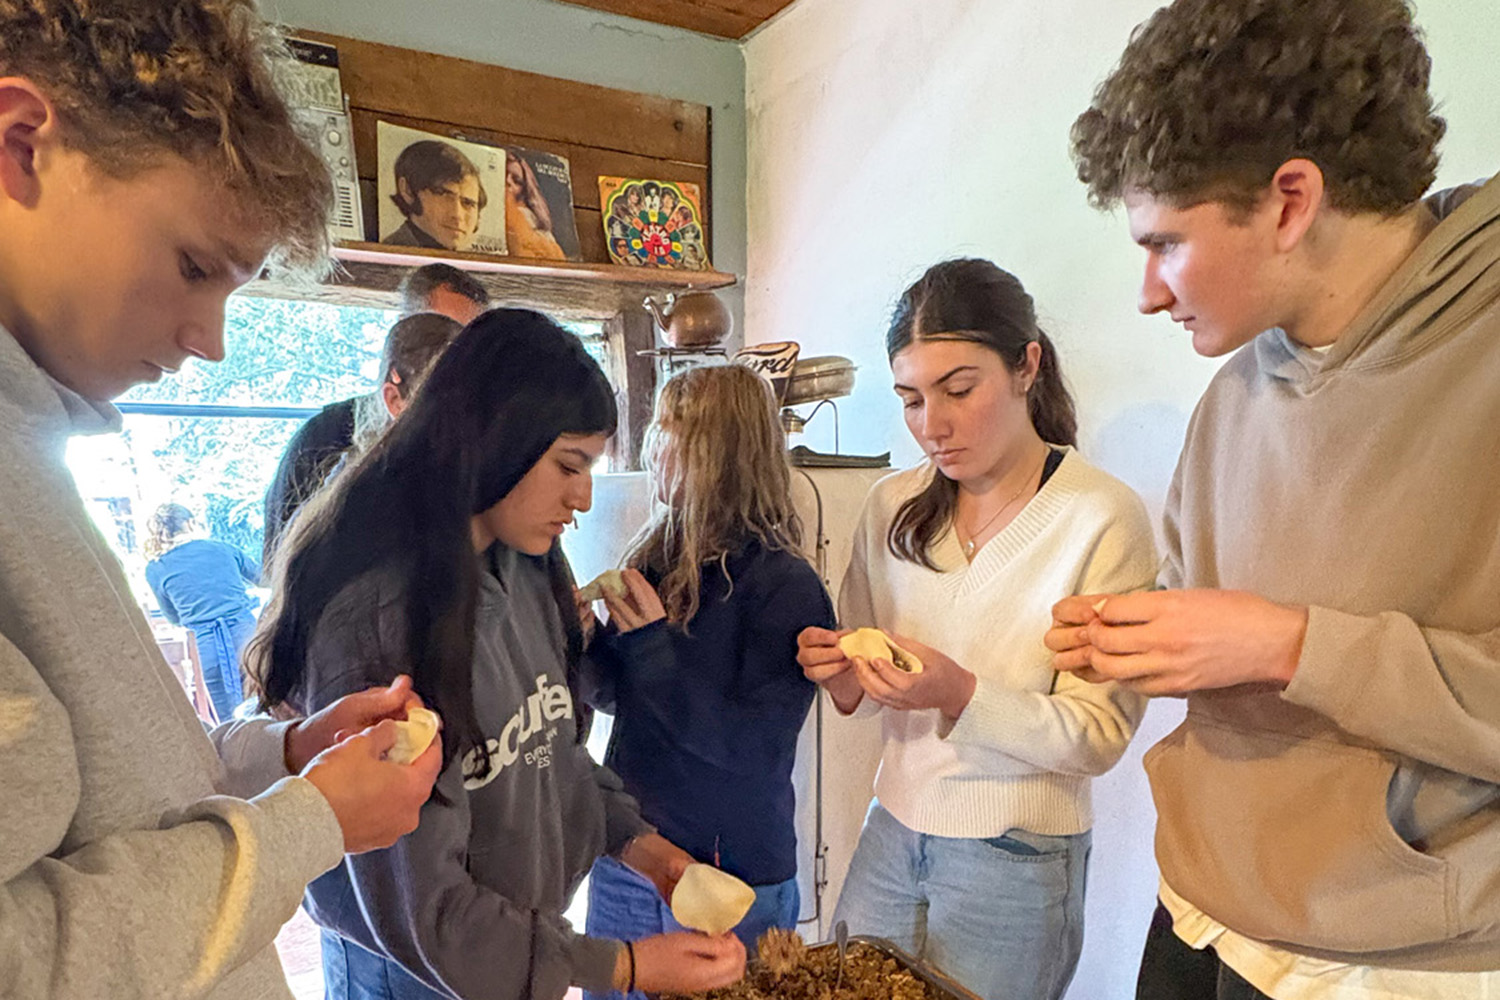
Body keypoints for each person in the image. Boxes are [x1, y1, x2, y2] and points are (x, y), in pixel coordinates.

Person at [1056, 1, 1500, 997]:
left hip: (1393, 961)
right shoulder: (1234, 393)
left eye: (1165, 242)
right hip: (1200, 915)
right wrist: (1150, 636)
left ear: (1291, 201)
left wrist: (1290, 643)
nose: (1147, 293)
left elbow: (1277, 638)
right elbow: (1211, 609)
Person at [0, 2, 442, 997]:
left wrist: (280, 754)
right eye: (194, 267)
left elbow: (124, 796)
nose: (211, 340)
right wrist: (309, 820)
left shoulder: (30, 437)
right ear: (21, 144)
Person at [251, 310, 747, 1000]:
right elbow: (428, 910)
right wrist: (625, 966)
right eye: (568, 466)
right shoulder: (376, 625)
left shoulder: (527, 567)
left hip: (512, 951)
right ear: (494, 443)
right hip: (417, 972)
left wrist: (646, 850)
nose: (583, 498)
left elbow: (552, 753)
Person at [797, 259, 1157, 1000]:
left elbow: (1098, 736)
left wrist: (960, 692)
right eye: (911, 399)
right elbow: (859, 689)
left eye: (960, 389)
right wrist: (838, 671)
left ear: (1027, 365)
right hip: (891, 832)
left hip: (1020, 859)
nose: (935, 424)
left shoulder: (1101, 516)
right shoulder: (891, 505)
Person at [580, 364, 835, 987]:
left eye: (672, 430)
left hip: (729, 877)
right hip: (631, 854)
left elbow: (749, 750)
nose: (652, 447)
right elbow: (619, 696)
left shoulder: (785, 584)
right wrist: (579, 642)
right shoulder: (657, 551)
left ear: (726, 453)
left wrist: (647, 645)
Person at [263, 303, 473, 565]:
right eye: (441, 401)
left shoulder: (474, 462)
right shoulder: (329, 445)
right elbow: (283, 560)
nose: (461, 418)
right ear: (394, 399)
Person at [145, 502, 263, 721]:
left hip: (203, 648)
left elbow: (173, 618)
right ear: (190, 523)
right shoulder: (222, 548)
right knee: (265, 705)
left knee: (225, 719)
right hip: (247, 639)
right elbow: (264, 579)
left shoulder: (155, 569)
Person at [384, 140, 486, 252]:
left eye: (468, 203)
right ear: (408, 191)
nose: (457, 215)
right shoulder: (385, 259)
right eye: (442, 194)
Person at [504, 151, 566, 260]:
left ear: (525, 189)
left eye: (516, 180)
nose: (508, 181)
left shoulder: (528, 217)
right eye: (504, 174)